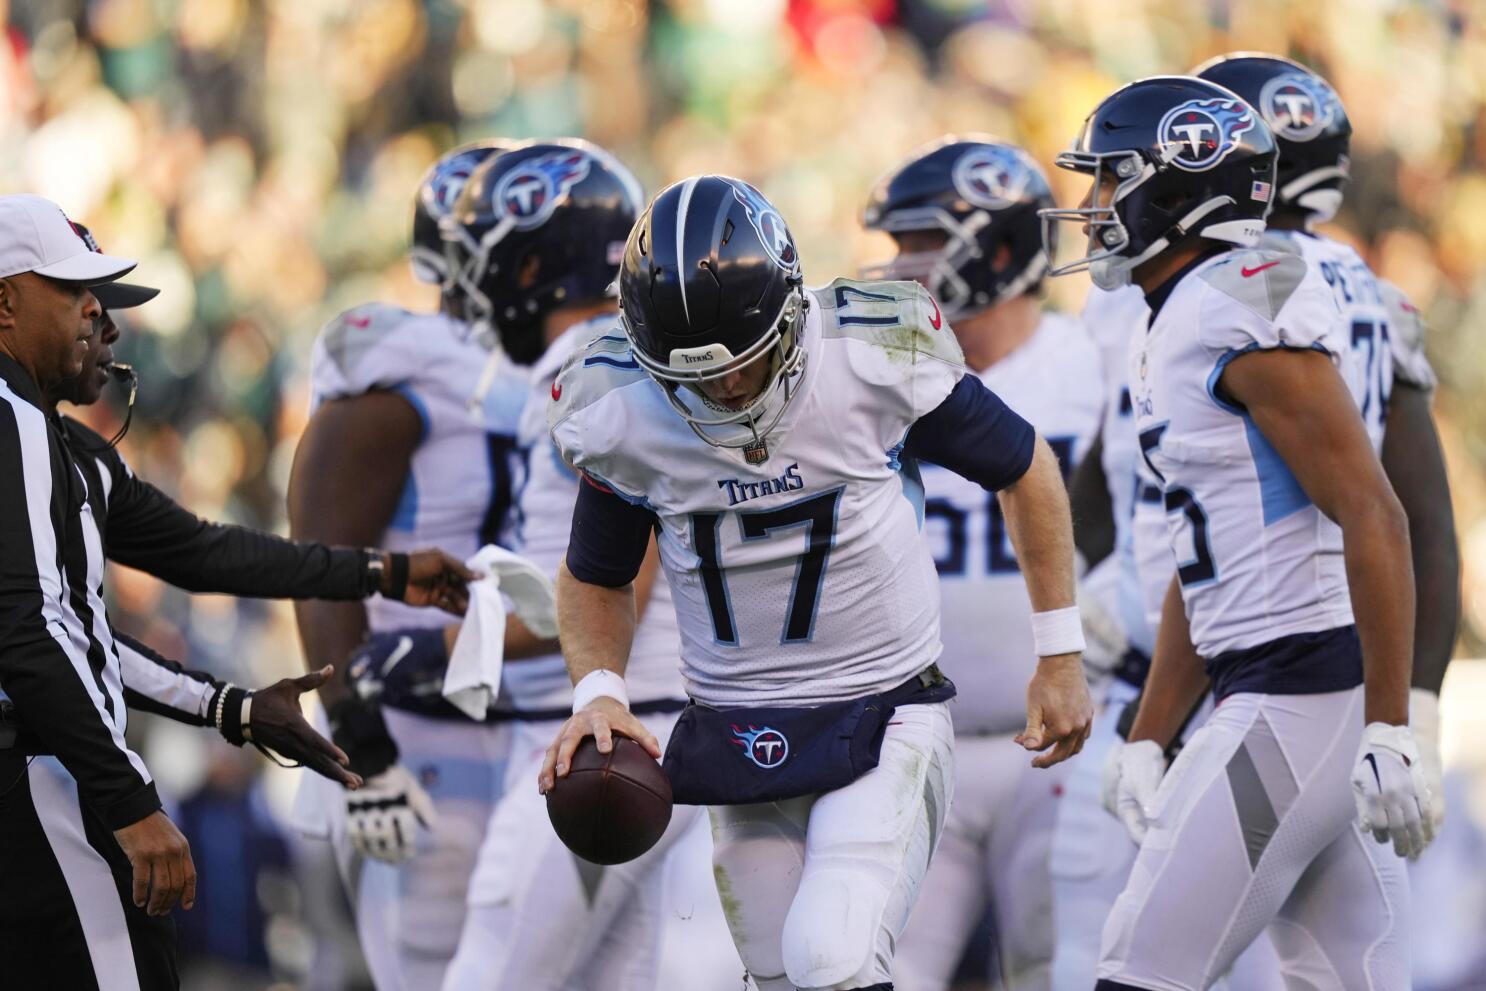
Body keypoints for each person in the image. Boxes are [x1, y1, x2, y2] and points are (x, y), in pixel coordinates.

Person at [538, 174, 1093, 991]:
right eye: (692, 378)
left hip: (883, 711)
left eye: (743, 365)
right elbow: (594, 573)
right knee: (781, 978)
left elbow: (1026, 467)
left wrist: (1060, 651)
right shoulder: (621, 406)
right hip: (734, 730)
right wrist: (598, 689)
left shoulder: (870, 355)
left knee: (829, 957)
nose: (724, 390)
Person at [1041, 75, 1429, 990]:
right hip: (1271, 685)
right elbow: (1203, 561)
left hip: (1301, 693)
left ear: (1181, 190)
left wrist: (1392, 725)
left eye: (1110, 182)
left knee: (1140, 969)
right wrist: (1149, 731)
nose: (1093, 208)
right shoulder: (1175, 312)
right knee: (1349, 978)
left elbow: (1374, 510)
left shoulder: (1236, 301)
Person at [430, 140, 722, 990]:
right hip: (659, 722)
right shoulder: (630, 358)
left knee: (489, 972)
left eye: (493, 258)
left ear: (537, 263)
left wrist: (453, 652)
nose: (475, 286)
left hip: (605, 729)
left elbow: (616, 576)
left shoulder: (589, 368)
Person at [45, 227, 472, 781]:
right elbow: (43, 634)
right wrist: (130, 794)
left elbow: (203, 552)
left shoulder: (77, 450)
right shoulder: (16, 431)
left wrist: (382, 572)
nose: (110, 329)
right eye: (86, 307)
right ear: (7, 304)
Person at [288, 137, 536, 991]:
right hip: (412, 737)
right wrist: (365, 747)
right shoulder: (404, 372)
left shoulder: (548, 373)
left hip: (509, 727)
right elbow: (316, 563)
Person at [1192, 52, 1459, 841]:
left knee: (1156, 945)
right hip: (1354, 648)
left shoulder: (1224, 284)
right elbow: (1427, 517)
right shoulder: (1374, 290)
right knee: (1342, 956)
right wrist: (1418, 707)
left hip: (1242, 642)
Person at [858, 136, 1104, 991]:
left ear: (999, 250)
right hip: (920, 740)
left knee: (1060, 969)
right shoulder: (879, 372)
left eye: (918, 241)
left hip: (1070, 738)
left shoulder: (1094, 365)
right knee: (872, 966)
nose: (900, 266)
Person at [0, 192, 190, 990]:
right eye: (73, 293)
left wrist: (228, 706)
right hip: (29, 779)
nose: (98, 320)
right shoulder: (16, 419)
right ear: (7, 298)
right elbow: (28, 625)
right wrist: (128, 798)